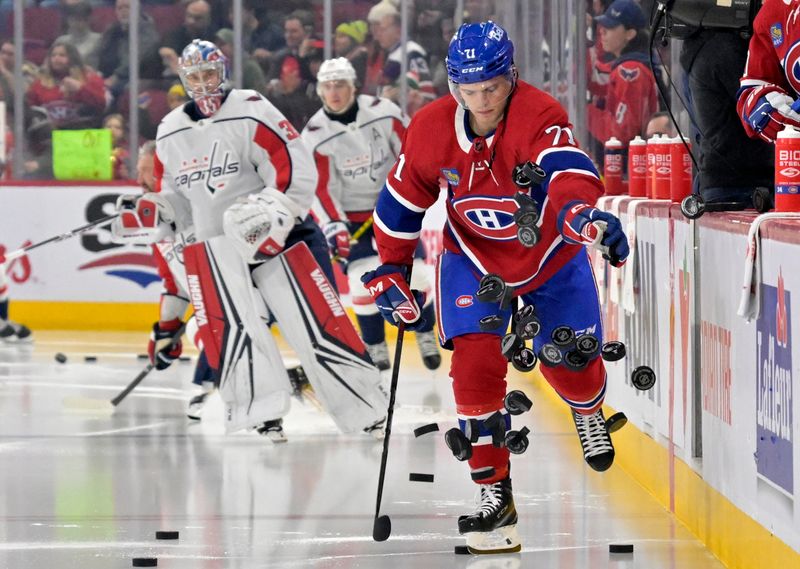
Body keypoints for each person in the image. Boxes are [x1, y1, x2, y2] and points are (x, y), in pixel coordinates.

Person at [362, 21, 630, 553]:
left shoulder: (540, 113)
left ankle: (586, 409)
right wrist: (390, 268)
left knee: (571, 365)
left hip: (550, 257)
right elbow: (401, 201)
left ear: (511, 77)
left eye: (492, 88)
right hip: (473, 260)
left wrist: (581, 214)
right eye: (468, 89)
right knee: (475, 365)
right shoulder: (430, 128)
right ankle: (494, 498)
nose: (481, 101)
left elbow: (566, 169)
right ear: (452, 85)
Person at [112, 40, 387, 440]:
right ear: (184, 80)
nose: (203, 83)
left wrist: (273, 211)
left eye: (209, 74)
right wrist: (159, 211)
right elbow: (178, 198)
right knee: (235, 332)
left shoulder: (251, 107)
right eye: (194, 76)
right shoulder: (170, 130)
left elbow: (293, 166)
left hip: (281, 239)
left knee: (317, 324)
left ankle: (364, 406)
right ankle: (260, 412)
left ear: (222, 72)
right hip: (218, 250)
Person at [302, 57, 441, 372]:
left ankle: (424, 333)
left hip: (394, 206)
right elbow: (321, 188)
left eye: (340, 85)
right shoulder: (314, 134)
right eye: (328, 86)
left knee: (416, 274)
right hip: (352, 218)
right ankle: (375, 347)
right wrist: (334, 224)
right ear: (321, 91)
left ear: (353, 86)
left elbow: (411, 150)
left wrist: (409, 191)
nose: (334, 92)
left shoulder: (384, 112)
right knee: (360, 280)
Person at [587, 0, 658, 153]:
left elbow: (621, 134)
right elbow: (595, 79)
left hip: (631, 167)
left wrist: (586, 113)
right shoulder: (628, 64)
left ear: (630, 34)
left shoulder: (631, 70)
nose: (602, 32)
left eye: (610, 27)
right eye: (603, 26)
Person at [26, 41, 106, 130]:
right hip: (50, 135)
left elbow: (101, 104)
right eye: (53, 55)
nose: (56, 58)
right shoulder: (39, 83)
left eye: (62, 55)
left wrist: (79, 88)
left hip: (83, 132)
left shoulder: (90, 78)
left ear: (73, 58)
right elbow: (31, 108)